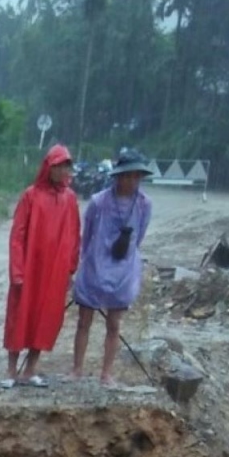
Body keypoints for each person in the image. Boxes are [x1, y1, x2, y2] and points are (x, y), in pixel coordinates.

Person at [70, 149, 154, 386]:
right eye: (126, 176)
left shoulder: (144, 205)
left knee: (114, 323)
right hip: (95, 264)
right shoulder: (99, 201)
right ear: (118, 176)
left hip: (122, 269)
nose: (130, 181)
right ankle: (77, 368)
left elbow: (139, 237)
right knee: (84, 321)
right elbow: (86, 235)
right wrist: (83, 260)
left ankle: (106, 372)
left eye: (135, 176)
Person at [2, 144, 81, 388]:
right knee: (20, 316)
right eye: (58, 166)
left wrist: (70, 268)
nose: (62, 171)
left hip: (55, 271)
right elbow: (17, 235)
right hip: (30, 269)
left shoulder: (70, 199)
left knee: (46, 318)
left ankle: (31, 369)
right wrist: (17, 270)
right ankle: (11, 370)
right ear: (48, 167)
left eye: (66, 166)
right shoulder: (31, 195)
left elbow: (74, 235)